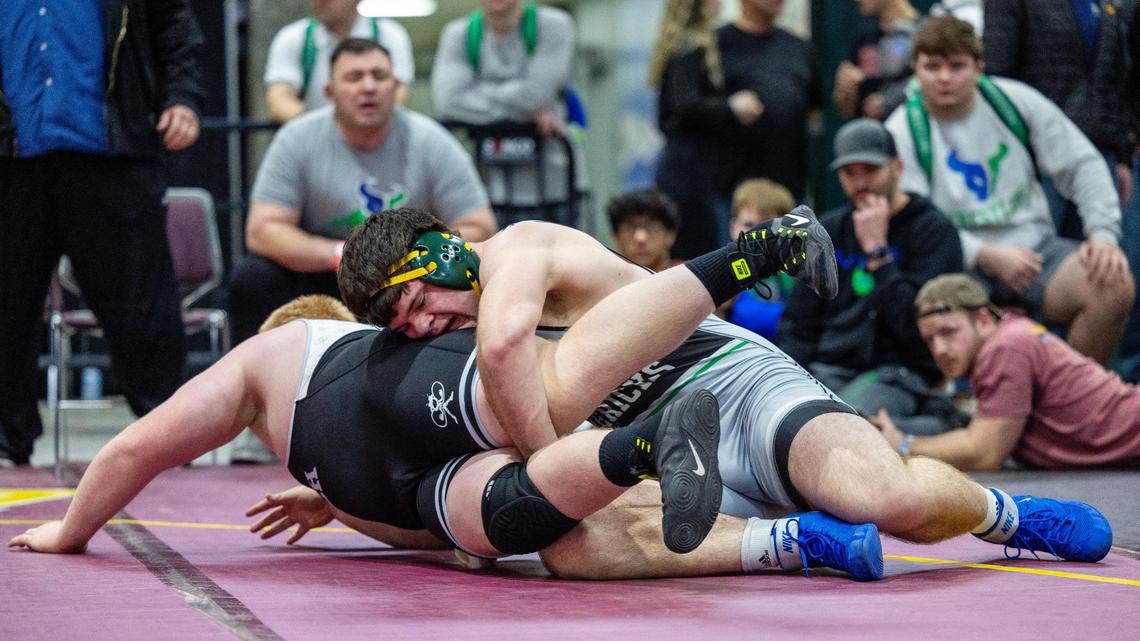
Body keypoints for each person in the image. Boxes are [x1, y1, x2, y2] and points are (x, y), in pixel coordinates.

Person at [10, 255, 886, 582]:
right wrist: (333, 505)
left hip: (402, 479)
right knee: (540, 415)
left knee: (510, 507)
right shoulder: (321, 405)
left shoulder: (272, 366)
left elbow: (136, 444)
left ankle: (639, 447)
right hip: (405, 471)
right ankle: (655, 444)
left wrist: (73, 530)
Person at [338, 206, 1113, 568]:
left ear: (441, 255)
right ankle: (794, 542)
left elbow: (508, 346)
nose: (426, 327)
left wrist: (552, 479)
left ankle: (1009, 515)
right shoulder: (451, 341)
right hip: (663, 455)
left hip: (733, 385)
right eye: (404, 327)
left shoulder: (515, 253)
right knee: (570, 550)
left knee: (890, 502)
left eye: (418, 303)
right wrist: (352, 499)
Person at [0, 0, 204, 468]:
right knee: (6, 307)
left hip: (112, 151)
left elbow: (178, 34)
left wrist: (183, 98)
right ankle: (7, 439)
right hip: (10, 158)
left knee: (141, 305)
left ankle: (167, 434)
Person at [884, 15, 1135, 366]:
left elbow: (1083, 164)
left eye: (956, 66)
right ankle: (971, 407)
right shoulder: (902, 129)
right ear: (915, 69)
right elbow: (916, 221)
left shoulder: (1014, 101)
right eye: (932, 66)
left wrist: (1103, 234)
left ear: (979, 67)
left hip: (1036, 252)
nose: (944, 78)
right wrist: (985, 254)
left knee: (1112, 285)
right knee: (950, 318)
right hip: (957, 264)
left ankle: (1069, 397)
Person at [230, 38, 496, 346]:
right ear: (329, 92)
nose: (368, 87)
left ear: (396, 86)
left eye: (379, 76)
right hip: (325, 270)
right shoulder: (295, 140)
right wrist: (343, 255)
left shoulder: (432, 141)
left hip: (408, 277)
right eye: (354, 77)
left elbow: (480, 226)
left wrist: (413, 258)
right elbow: (263, 231)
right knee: (251, 277)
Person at [779, 118, 964, 435]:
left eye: (871, 170)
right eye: (850, 173)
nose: (861, 182)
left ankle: (930, 425)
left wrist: (879, 252)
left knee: (841, 425)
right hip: (827, 368)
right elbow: (798, 323)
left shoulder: (933, 231)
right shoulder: (827, 231)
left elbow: (921, 330)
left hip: (899, 372)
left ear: (898, 167)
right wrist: (784, 379)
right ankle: (922, 427)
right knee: (780, 418)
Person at [875, 273, 1140, 470]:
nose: (940, 349)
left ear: (983, 319)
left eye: (948, 332)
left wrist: (903, 444)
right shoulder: (1015, 333)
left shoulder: (1006, 347)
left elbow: (985, 454)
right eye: (930, 340)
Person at [983, 0, 1135, 237]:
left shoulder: (1105, 4)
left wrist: (1122, 156)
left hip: (1099, 155)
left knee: (1100, 263)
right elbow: (997, 80)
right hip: (1036, 162)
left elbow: (1116, 79)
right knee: (1037, 263)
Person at [431, 0, 583, 228]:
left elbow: (537, 94)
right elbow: (449, 101)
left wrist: (477, 94)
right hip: (486, 190)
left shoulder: (554, 25)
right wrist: (526, 110)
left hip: (554, 185)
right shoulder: (458, 34)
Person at [649, 0, 761, 258]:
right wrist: (731, 107)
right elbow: (684, 105)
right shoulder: (689, 46)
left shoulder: (689, 45)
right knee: (697, 253)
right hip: (689, 171)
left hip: (689, 167)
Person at [716, 0, 822, 202]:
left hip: (790, 194)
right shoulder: (716, 45)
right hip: (730, 195)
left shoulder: (800, 48)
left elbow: (814, 115)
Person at [264, 0, 415, 122]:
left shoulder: (389, 34)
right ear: (329, 90)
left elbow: (399, 97)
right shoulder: (293, 37)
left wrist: (365, 128)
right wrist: (327, 132)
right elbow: (278, 100)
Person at [715, 178, 795, 340]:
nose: (757, 236)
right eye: (749, 225)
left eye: (769, 227)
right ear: (733, 227)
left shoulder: (796, 274)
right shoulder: (718, 273)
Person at [833, 0, 920, 121]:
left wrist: (890, 101)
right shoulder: (864, 37)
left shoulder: (924, 33)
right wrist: (845, 91)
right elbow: (846, 110)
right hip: (869, 133)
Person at [608, 189, 680, 272]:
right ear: (616, 237)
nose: (640, 238)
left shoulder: (692, 278)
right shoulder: (600, 282)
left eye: (653, 227)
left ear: (671, 234)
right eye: (629, 228)